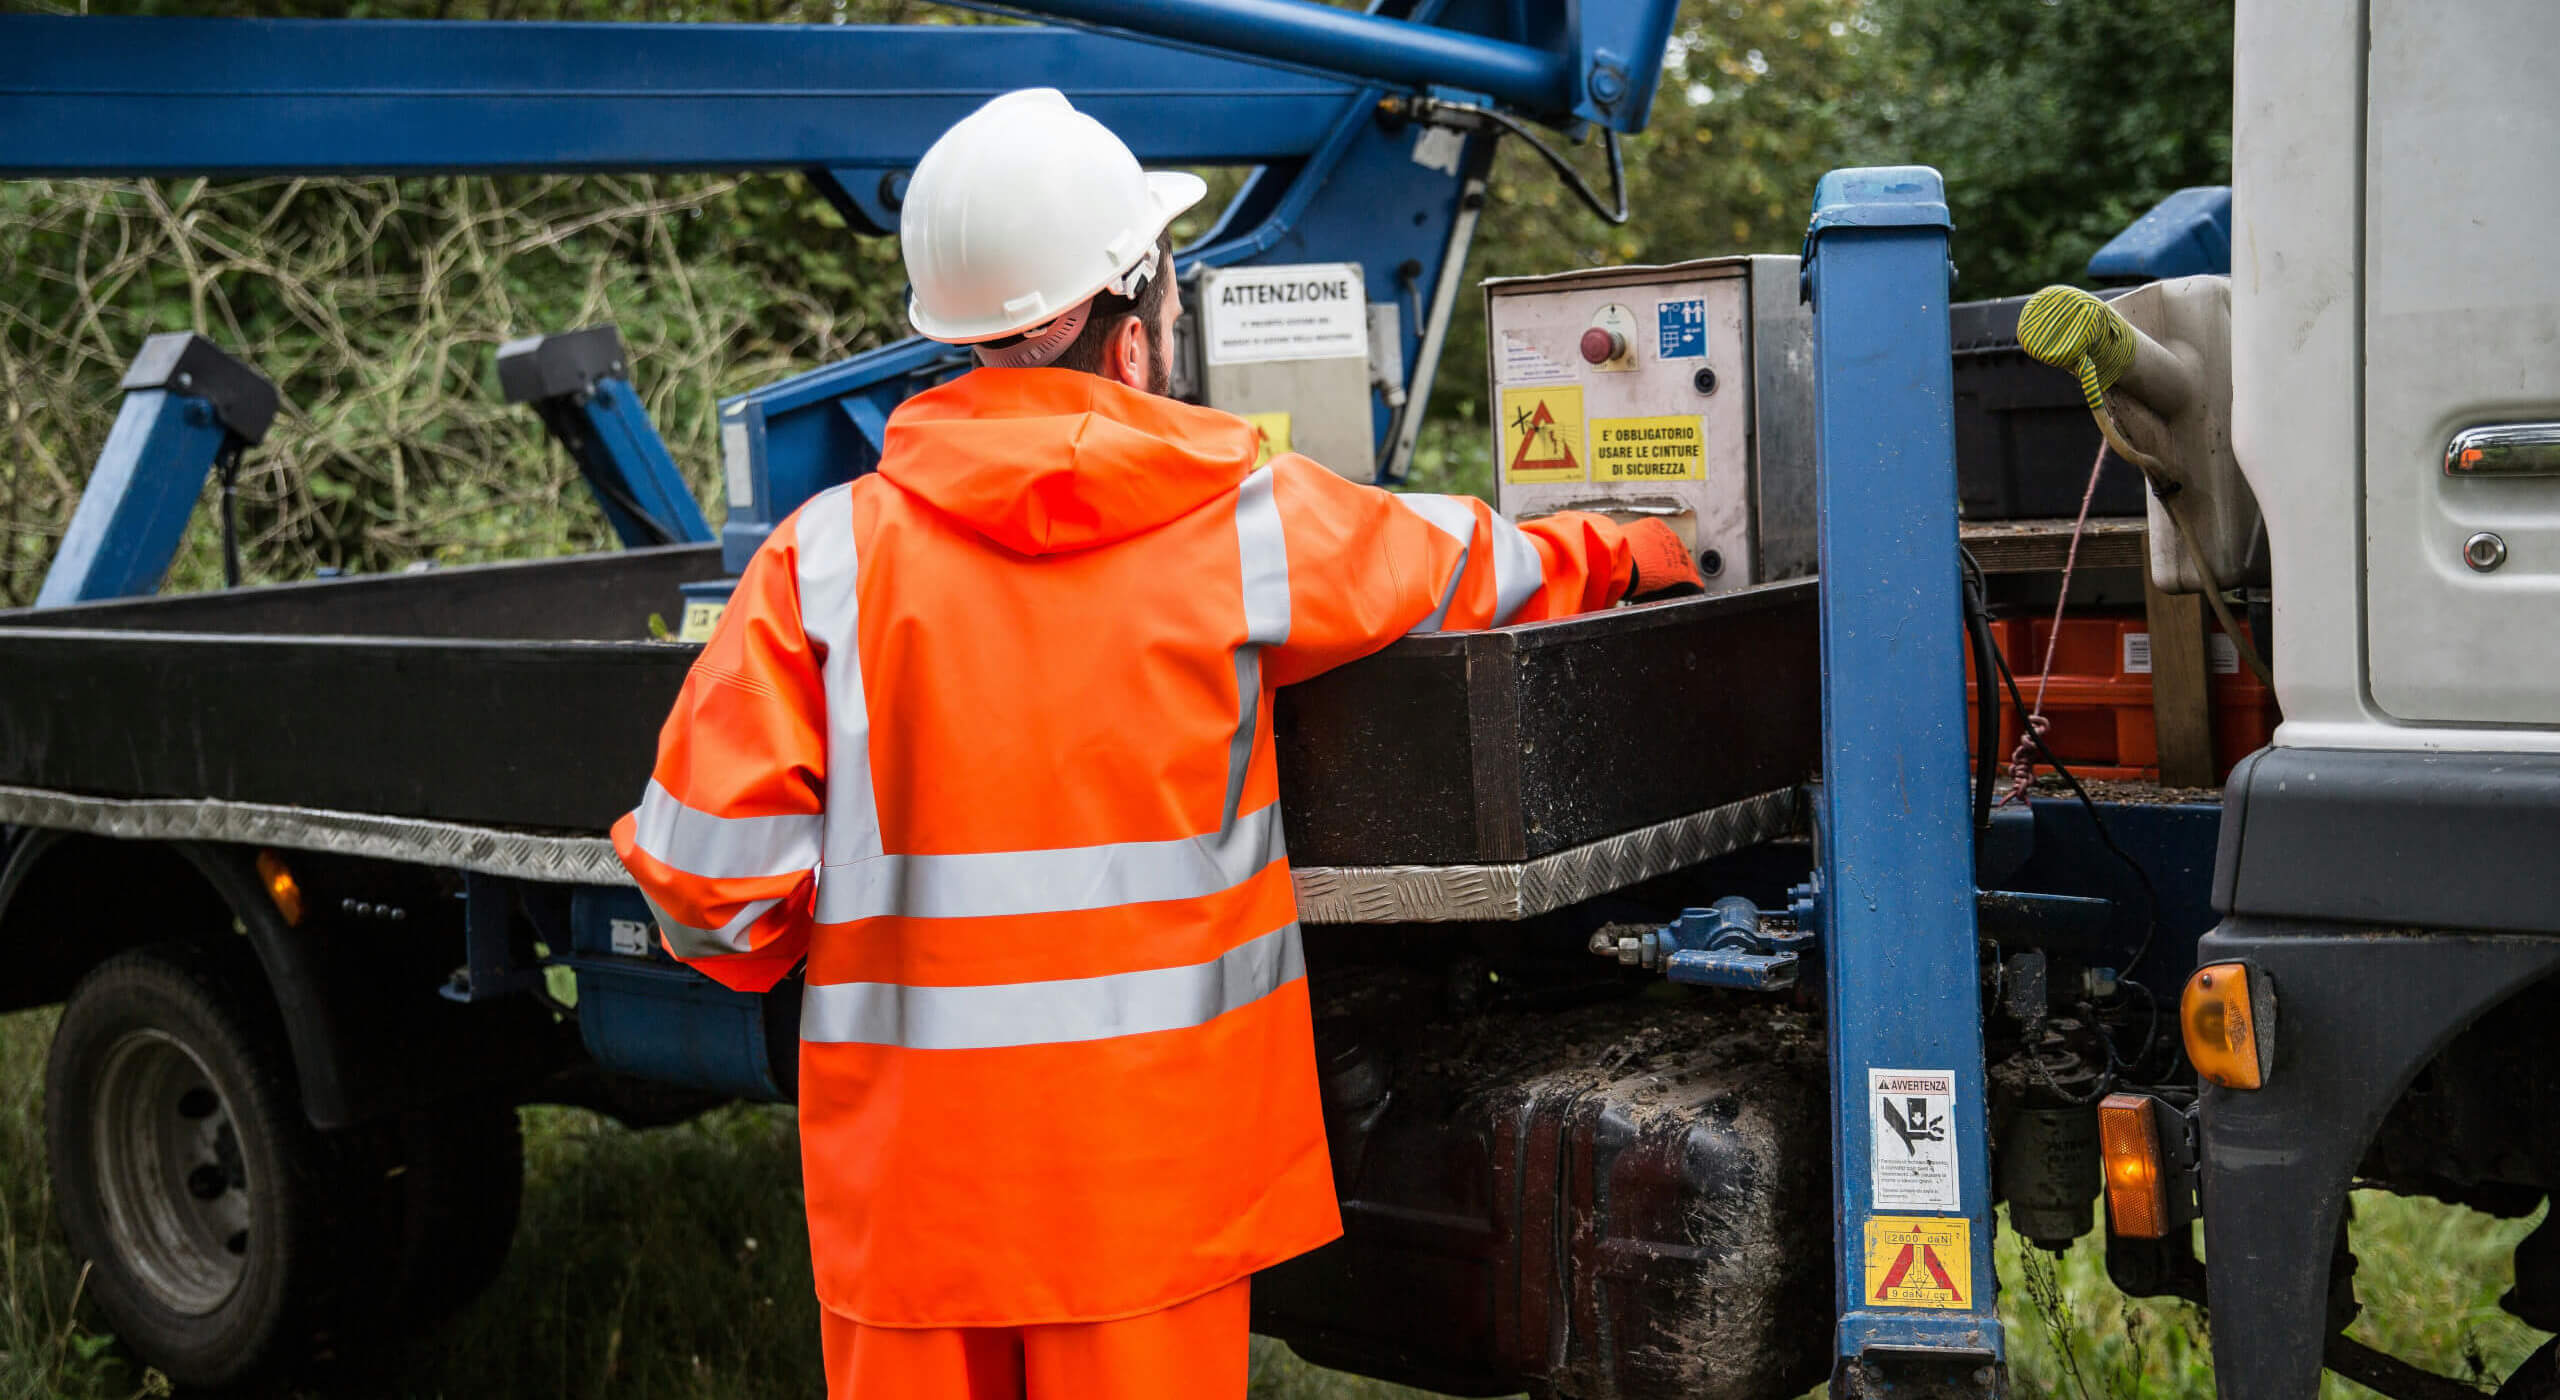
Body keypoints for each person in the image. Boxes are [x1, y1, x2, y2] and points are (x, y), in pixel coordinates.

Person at [611, 87, 1705, 1400]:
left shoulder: (822, 564)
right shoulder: (1250, 530)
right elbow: (1480, 566)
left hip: (914, 1205)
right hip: (1156, 1204)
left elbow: (710, 892)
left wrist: (803, 953)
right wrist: (1634, 551)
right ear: (1129, 344)